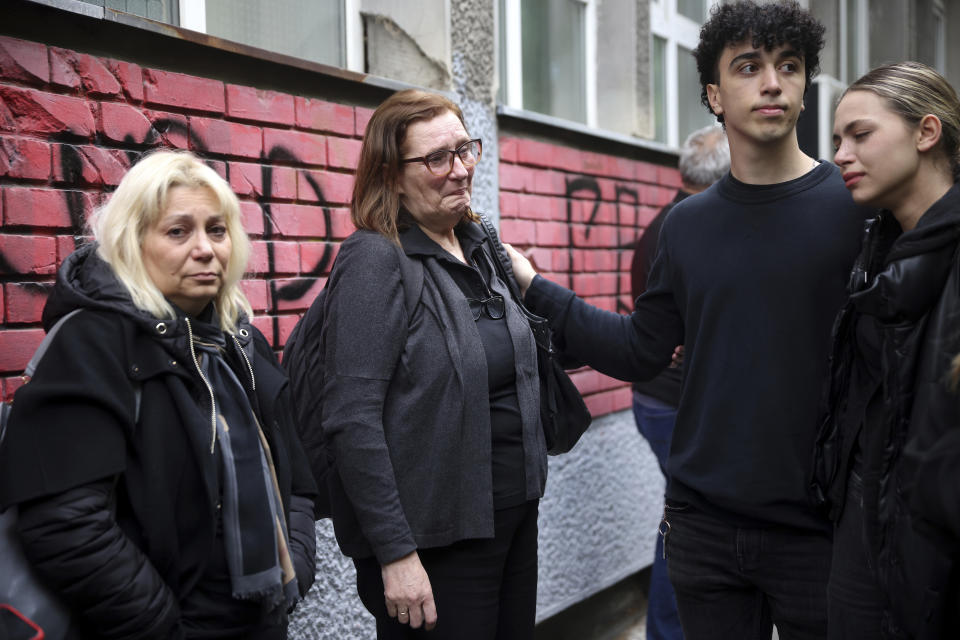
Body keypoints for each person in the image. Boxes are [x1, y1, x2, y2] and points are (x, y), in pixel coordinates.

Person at [506, 2, 867, 638]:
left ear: (806, 86)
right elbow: (642, 350)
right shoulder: (687, 225)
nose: (772, 82)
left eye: (789, 66)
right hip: (706, 529)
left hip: (822, 529)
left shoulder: (852, 207)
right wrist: (537, 288)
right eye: (749, 67)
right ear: (713, 93)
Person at [0, 151, 317, 639]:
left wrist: (294, 564)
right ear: (133, 241)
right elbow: (65, 523)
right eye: (177, 232)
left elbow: (294, 478)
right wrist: (164, 626)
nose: (205, 249)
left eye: (217, 230)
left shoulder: (239, 342)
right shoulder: (92, 344)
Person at [305, 89, 546, 639]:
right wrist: (395, 553)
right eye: (438, 158)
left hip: (513, 518)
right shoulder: (375, 259)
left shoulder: (479, 246)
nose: (461, 170)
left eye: (466, 150)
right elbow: (351, 416)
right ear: (390, 175)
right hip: (436, 545)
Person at [814, 61, 960, 639]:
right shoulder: (878, 248)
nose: (841, 155)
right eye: (836, 141)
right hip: (865, 523)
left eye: (861, 135)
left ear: (926, 133)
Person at [629, 124, 728, 640]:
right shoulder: (689, 228)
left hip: (657, 401)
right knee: (687, 522)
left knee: (683, 516)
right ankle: (668, 632)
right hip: (675, 404)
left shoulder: (663, 223)